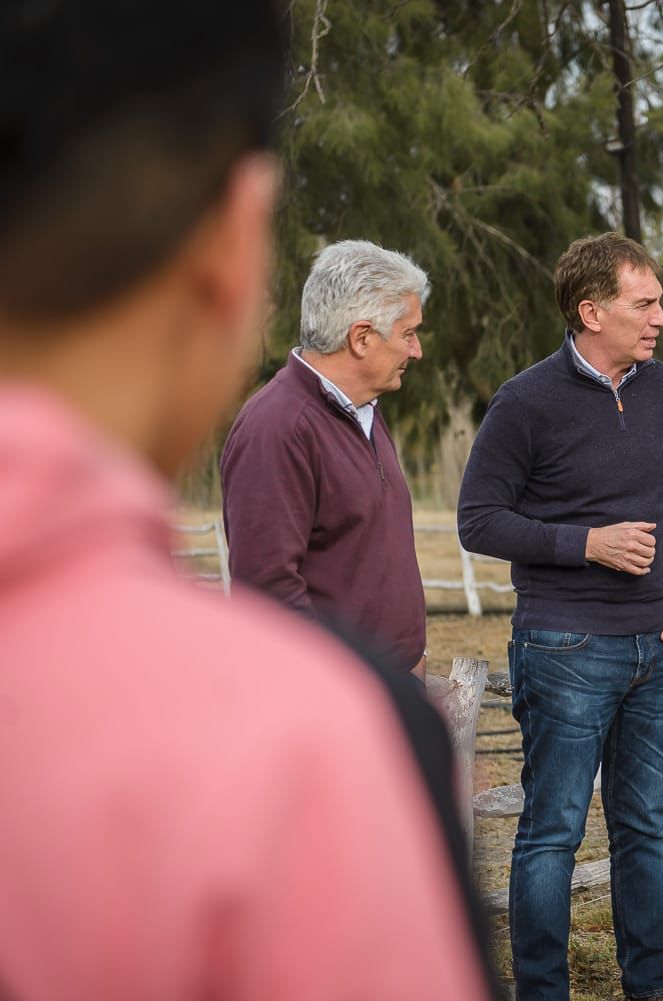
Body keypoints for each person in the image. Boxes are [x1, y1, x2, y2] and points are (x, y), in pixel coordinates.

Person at [0, 3, 491, 999]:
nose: (417, 348)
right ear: (233, 240)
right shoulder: (291, 750)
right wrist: (362, 699)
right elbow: (271, 581)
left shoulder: (367, 419)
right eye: (405, 330)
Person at [458, 232, 663, 1001]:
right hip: (564, 644)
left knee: (644, 828)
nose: (661, 316)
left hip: (657, 646)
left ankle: (652, 988)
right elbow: (478, 520)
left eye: (659, 301)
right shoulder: (525, 401)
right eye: (645, 303)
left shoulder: (661, 387)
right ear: (591, 310)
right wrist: (585, 544)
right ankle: (542, 992)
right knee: (553, 833)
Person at [221, 240, 430, 678]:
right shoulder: (278, 428)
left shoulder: (363, 411)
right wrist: (352, 689)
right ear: (361, 338)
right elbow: (269, 594)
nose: (417, 351)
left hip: (386, 690)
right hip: (339, 699)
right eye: (408, 334)